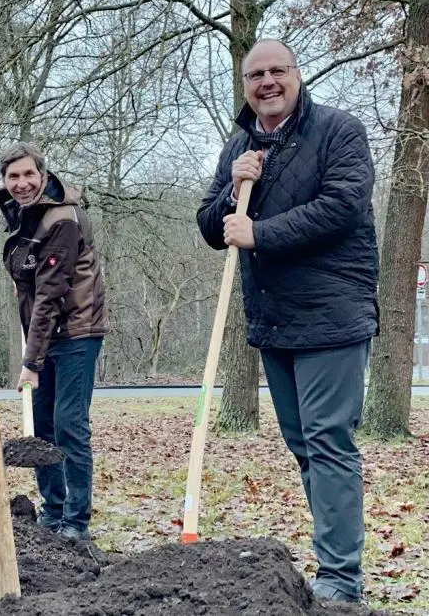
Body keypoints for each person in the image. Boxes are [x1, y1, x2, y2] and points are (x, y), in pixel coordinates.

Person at [197, 39, 378, 604]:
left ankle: (342, 580)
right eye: (256, 74)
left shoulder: (338, 131)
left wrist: (262, 233)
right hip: (274, 319)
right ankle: (334, 562)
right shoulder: (240, 144)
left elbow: (343, 205)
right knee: (304, 444)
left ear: (297, 76)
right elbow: (210, 225)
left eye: (278, 71)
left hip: (333, 312)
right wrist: (233, 183)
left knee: (327, 441)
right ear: (245, 84)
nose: (267, 82)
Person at [0, 141, 109, 541]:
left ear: (43, 176)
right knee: (42, 427)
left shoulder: (62, 220)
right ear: (5, 181)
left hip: (76, 333)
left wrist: (30, 360)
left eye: (29, 174)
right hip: (47, 336)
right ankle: (52, 511)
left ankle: (76, 523)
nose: (22, 183)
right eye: (13, 176)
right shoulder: (26, 218)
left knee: (69, 425)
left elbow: (50, 294)